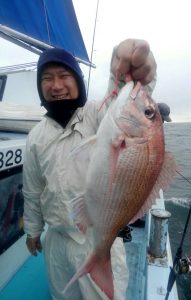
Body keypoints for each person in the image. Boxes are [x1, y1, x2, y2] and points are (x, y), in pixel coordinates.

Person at [23, 39, 157, 300]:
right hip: (57, 242)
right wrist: (32, 230)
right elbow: (33, 189)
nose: (56, 85)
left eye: (64, 75)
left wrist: (129, 65)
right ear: (40, 87)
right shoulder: (35, 137)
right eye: (47, 78)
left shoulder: (99, 115)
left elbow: (125, 98)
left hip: (99, 235)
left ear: (77, 80)